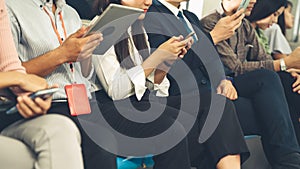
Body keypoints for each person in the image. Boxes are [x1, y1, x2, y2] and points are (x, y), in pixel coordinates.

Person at [94, 0, 251, 169]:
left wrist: (166, 62)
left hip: (144, 101)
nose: (148, 1)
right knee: (179, 128)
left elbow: (158, 90)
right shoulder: (103, 26)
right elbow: (116, 91)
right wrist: (157, 57)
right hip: (116, 108)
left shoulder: (137, 27)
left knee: (218, 103)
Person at [145, 0, 300, 168]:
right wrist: (214, 37)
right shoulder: (152, 14)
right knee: (269, 101)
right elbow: (168, 71)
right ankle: (288, 161)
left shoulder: (190, 17)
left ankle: (290, 160)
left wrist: (222, 79)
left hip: (212, 92)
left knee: (278, 98)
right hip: (187, 98)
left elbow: (212, 59)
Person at [5, 0, 117, 168]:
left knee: (108, 135)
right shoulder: (11, 8)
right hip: (48, 102)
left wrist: (86, 55)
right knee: (101, 141)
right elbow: (11, 75)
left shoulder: (71, 13)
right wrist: (62, 54)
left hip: (83, 103)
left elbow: (85, 74)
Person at [201, 0, 300, 147]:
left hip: (240, 83)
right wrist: (284, 64)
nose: (253, 0)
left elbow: (264, 59)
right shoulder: (210, 24)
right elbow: (235, 68)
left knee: (288, 80)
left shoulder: (245, 25)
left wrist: (288, 70)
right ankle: (290, 159)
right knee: (268, 78)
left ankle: (292, 158)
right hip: (224, 83)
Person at [0, 0, 83, 168]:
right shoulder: (12, 7)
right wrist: (20, 79)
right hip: (51, 105)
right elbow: (15, 75)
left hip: (74, 101)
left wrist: (29, 97)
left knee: (61, 131)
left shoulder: (72, 14)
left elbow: (10, 66)